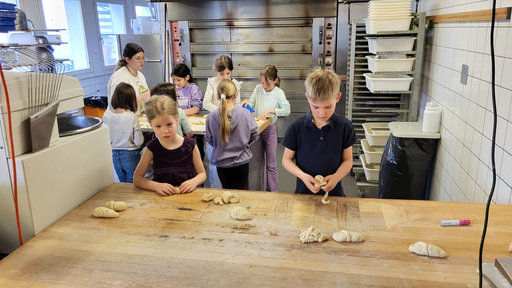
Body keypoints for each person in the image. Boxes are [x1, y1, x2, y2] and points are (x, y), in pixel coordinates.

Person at [281, 68, 356, 197]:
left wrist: (336, 177)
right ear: (308, 98)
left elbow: (348, 161)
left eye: (328, 107)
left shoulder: (345, 127)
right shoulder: (296, 127)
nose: (322, 113)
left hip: (335, 194)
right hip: (303, 194)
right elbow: (287, 160)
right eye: (315, 107)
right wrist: (303, 176)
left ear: (337, 97)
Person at [133, 96, 206, 196]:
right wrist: (156, 186)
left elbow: (202, 174)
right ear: (151, 125)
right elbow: (137, 178)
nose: (165, 131)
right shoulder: (152, 148)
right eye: (158, 126)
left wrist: (194, 182)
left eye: (169, 124)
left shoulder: (190, 145)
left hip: (188, 198)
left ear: (176, 120)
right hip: (161, 200)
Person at [241, 65, 290, 192]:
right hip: (256, 128)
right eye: (262, 83)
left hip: (269, 129)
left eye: (267, 83)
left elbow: (286, 110)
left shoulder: (279, 93)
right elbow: (251, 105)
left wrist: (271, 111)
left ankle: (272, 192)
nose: (264, 86)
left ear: (275, 81)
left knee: (271, 164)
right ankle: (259, 191)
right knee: (257, 164)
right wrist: (247, 103)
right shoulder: (258, 89)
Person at [205, 79, 259, 190]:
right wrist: (244, 140)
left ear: (217, 96)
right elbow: (255, 134)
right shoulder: (245, 113)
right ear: (236, 95)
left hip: (222, 164)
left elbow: (210, 140)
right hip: (241, 163)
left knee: (227, 193)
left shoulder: (210, 117)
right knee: (238, 194)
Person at [102, 82, 144, 183]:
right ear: (131, 99)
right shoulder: (131, 116)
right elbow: (139, 141)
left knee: (123, 186)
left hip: (114, 155)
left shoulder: (106, 115)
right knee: (134, 186)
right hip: (130, 154)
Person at [107, 43, 150, 113]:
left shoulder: (140, 75)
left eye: (143, 58)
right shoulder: (119, 76)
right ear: (128, 59)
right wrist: (140, 98)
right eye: (138, 58)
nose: (141, 61)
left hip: (137, 117)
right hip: (121, 120)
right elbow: (118, 103)